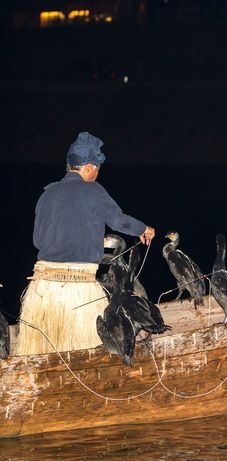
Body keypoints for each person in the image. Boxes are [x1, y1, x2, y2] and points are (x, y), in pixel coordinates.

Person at [16, 131, 156, 356]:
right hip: (79, 289)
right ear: (89, 167)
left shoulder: (47, 194)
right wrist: (143, 229)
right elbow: (118, 220)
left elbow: (37, 240)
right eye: (98, 170)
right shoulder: (94, 191)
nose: (97, 175)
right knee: (88, 354)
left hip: (43, 292)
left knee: (41, 355)